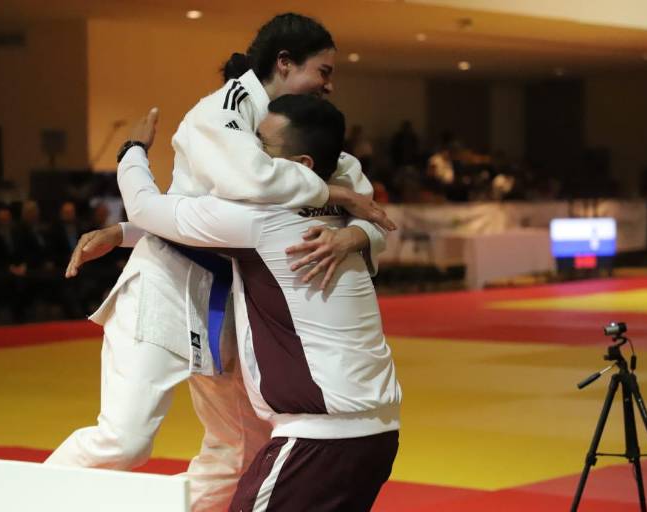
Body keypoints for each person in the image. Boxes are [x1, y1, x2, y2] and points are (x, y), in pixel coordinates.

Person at [46, 13, 394, 511]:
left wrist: (354, 235)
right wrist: (131, 160)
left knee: (240, 450)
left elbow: (368, 214)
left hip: (234, 298)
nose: (330, 84)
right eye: (323, 71)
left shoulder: (312, 137)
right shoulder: (223, 110)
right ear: (284, 62)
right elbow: (245, 194)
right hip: (165, 286)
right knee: (123, 440)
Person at [120, 94, 401, 511]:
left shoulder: (258, 219)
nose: (247, 154)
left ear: (302, 167)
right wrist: (121, 234)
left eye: (262, 147)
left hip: (317, 440)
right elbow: (369, 214)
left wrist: (133, 152)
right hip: (378, 433)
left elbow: (145, 206)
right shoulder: (346, 220)